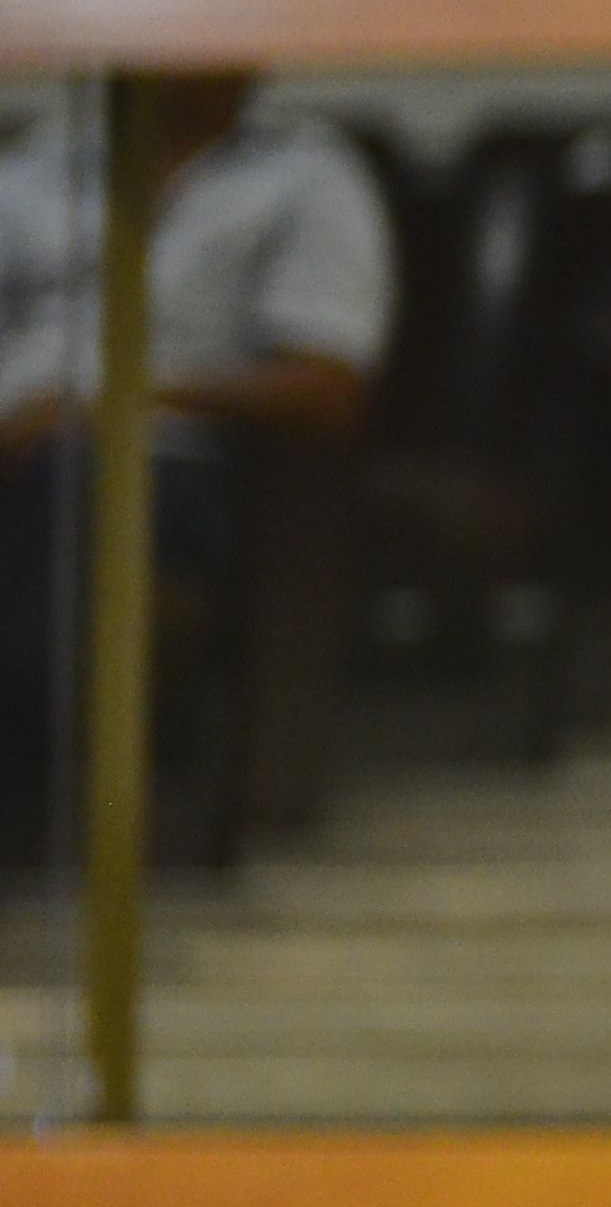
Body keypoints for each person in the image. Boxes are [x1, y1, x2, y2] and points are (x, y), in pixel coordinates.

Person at [0, 72, 395, 848]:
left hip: (171, 462)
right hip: (16, 434)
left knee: (69, 485)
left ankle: (23, 805)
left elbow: (326, 383)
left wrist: (107, 405)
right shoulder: (37, 164)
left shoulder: (306, 179)